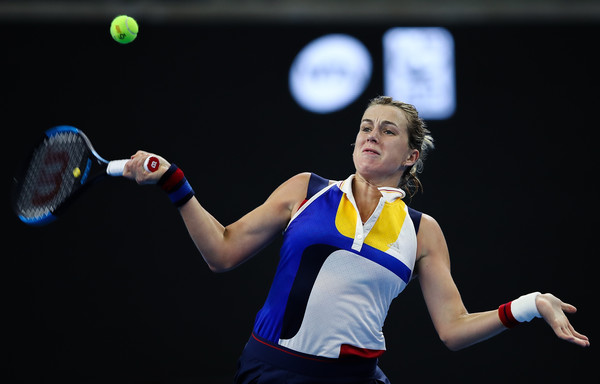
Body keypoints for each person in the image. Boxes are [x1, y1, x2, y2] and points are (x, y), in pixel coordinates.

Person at [123, 96, 589, 383]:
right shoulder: (307, 190)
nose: (371, 135)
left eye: (387, 130)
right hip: (272, 372)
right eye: (365, 127)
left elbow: (454, 329)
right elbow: (221, 253)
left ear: (410, 155)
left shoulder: (423, 231)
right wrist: (175, 184)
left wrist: (529, 304)